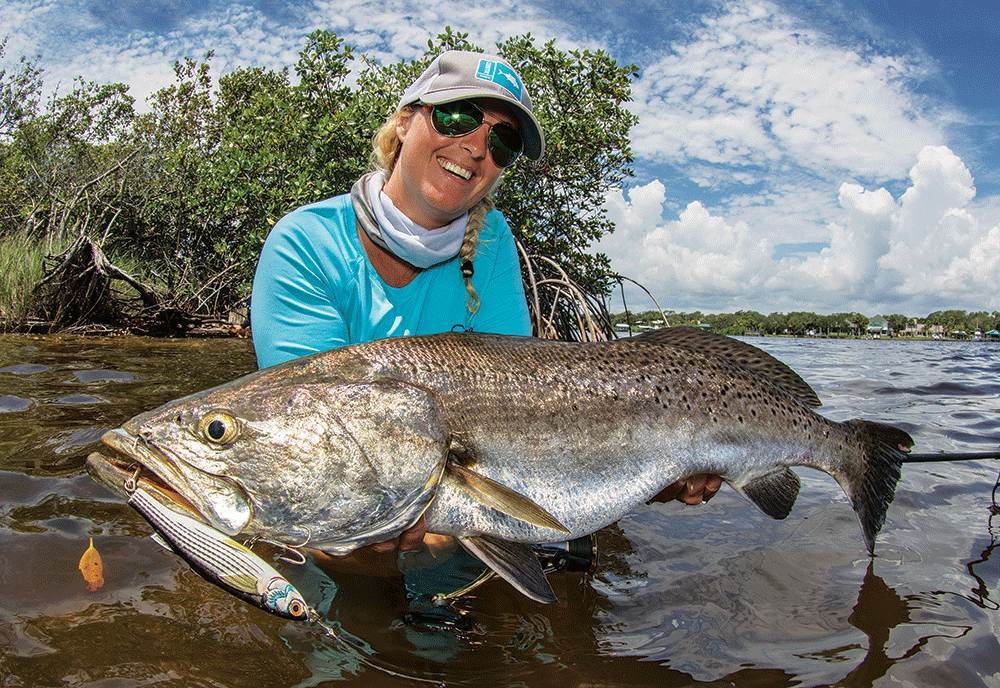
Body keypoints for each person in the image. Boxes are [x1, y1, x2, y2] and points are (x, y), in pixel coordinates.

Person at [250, 50, 720, 556]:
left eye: (502, 142)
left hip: (450, 520)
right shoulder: (304, 244)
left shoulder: (493, 244)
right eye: (459, 117)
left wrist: (645, 470)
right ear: (405, 122)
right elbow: (308, 459)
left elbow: (523, 411)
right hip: (389, 529)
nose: (476, 147)